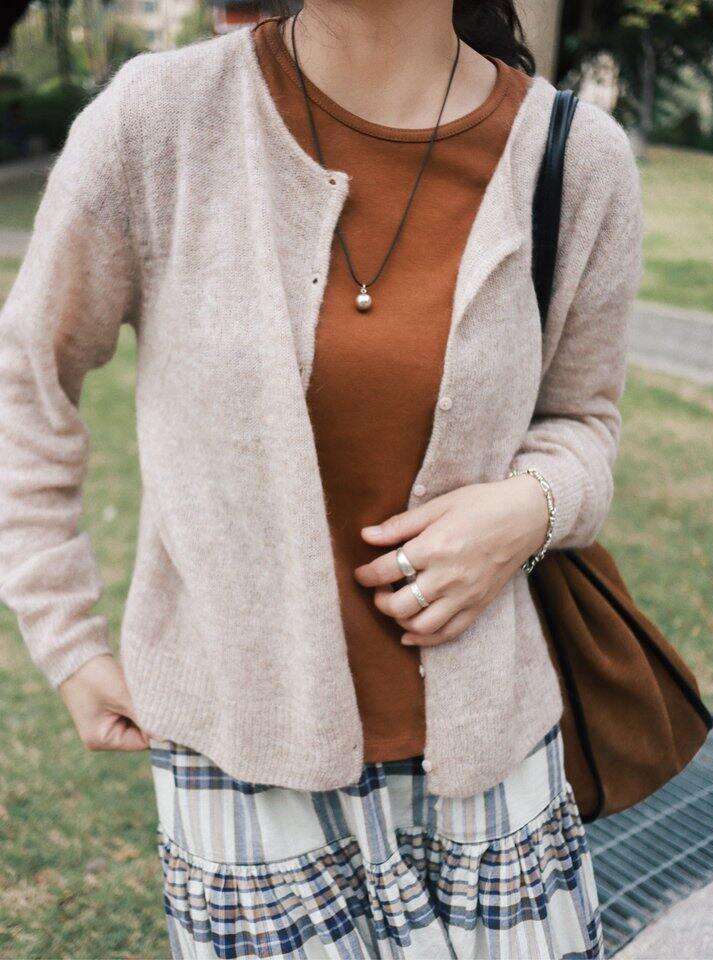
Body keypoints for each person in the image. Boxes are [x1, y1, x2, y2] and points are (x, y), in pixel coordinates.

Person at [0, 1, 643, 957]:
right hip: (241, 764)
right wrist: (64, 633)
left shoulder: (576, 157)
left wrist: (532, 508)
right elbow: (25, 382)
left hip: (495, 762)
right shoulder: (159, 122)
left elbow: (585, 421)